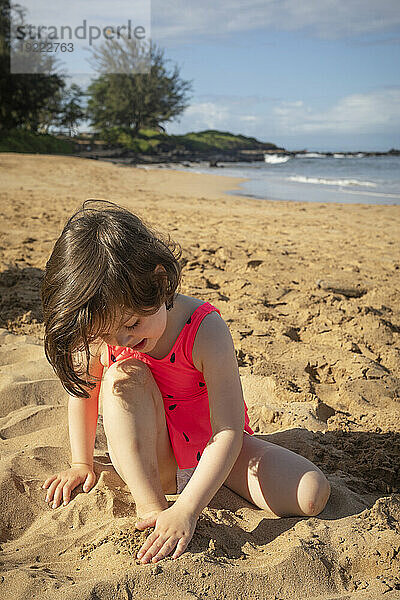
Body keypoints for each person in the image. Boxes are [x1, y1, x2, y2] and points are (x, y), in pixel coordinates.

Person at [41, 199, 331, 565]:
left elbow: (228, 431)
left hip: (219, 456)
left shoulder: (204, 329)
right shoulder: (105, 332)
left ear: (159, 282)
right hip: (156, 461)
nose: (122, 341)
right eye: (108, 333)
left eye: (132, 325)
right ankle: (151, 509)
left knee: (311, 492)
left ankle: (181, 503)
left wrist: (190, 509)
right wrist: (82, 462)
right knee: (121, 376)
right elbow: (83, 393)